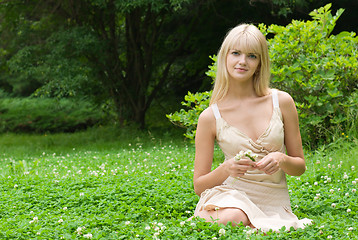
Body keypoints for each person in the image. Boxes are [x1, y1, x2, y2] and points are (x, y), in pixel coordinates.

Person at [193, 23, 312, 232]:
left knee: (235, 219)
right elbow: (199, 186)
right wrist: (225, 168)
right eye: (236, 53)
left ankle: (254, 224)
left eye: (252, 56)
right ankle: (235, 220)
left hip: (273, 200)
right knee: (232, 215)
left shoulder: (282, 101)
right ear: (225, 57)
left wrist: (281, 159)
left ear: (260, 62)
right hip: (231, 197)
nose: (242, 62)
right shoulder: (210, 116)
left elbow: (299, 167)